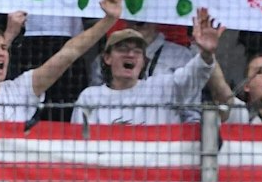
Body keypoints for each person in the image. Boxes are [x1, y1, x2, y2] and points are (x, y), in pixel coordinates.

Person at [71, 11, 221, 126]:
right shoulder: (90, 97)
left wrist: (206, 54)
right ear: (107, 58)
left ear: (143, 61)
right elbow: (80, 141)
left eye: (137, 51)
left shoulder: (162, 88)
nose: (130, 54)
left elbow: (192, 76)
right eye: (122, 49)